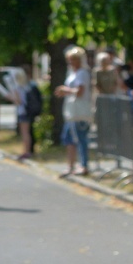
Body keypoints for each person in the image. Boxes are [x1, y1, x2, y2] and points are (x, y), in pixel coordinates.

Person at [55, 45, 93, 177]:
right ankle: (71, 165)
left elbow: (80, 91)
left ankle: (84, 165)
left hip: (79, 113)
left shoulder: (82, 73)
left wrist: (66, 90)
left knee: (80, 139)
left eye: (73, 59)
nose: (70, 62)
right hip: (71, 112)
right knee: (68, 139)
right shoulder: (73, 73)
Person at [7, 67, 36, 160]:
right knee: (26, 132)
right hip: (26, 111)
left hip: (23, 112)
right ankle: (27, 151)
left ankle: (26, 152)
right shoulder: (26, 86)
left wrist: (10, 97)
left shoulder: (18, 87)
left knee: (25, 133)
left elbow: (18, 101)